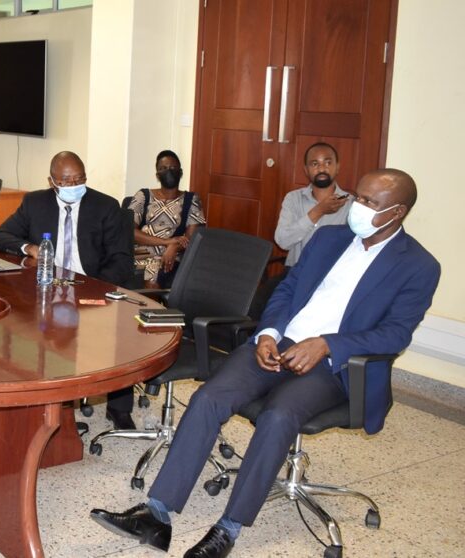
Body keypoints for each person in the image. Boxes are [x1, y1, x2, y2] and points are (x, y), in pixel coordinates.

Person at [90, 169, 440, 558]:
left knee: (278, 415)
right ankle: (157, 514)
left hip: (335, 364)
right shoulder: (329, 238)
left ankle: (228, 528)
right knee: (210, 397)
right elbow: (286, 289)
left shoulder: (419, 266)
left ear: (397, 212)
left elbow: (396, 334)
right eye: (358, 197)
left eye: (370, 203)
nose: (357, 207)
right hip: (279, 343)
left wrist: (326, 344)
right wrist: (270, 332)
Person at [0, 151, 140, 429]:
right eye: (66, 181)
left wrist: (92, 288)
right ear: (52, 181)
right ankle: (41, 402)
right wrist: (29, 248)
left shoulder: (105, 206)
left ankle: (119, 408)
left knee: (114, 335)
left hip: (90, 286)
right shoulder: (35, 203)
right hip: (48, 288)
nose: (74, 186)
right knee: (23, 326)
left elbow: (122, 260)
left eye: (80, 179)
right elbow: (0, 235)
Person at [129, 150, 206, 289]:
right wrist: (167, 242)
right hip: (140, 253)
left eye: (172, 168)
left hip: (169, 255)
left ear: (180, 172)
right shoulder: (143, 195)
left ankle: (151, 311)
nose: (168, 171)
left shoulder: (192, 200)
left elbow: (192, 240)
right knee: (112, 266)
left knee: (153, 272)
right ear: (157, 175)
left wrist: (173, 247)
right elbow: (129, 231)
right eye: (163, 168)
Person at [275, 142, 351, 267]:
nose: (321, 169)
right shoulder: (293, 199)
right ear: (306, 170)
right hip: (295, 274)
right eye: (314, 164)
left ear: (337, 167)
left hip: (329, 277)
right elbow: (283, 241)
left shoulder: (351, 204)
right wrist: (318, 211)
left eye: (327, 163)